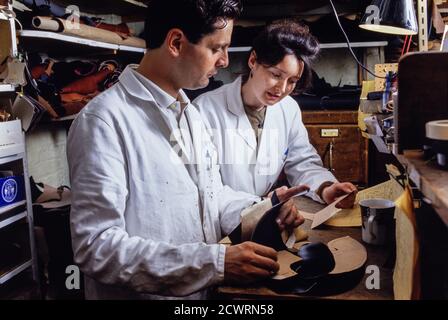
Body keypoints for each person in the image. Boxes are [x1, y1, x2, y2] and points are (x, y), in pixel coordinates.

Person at [67, 0, 305, 300]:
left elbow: (211, 196)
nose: (224, 60)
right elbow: (96, 247)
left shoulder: (188, 113)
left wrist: (265, 210)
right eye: (217, 48)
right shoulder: (104, 121)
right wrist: (214, 263)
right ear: (177, 42)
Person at [194, 20, 357, 208]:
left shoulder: (288, 109)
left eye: (292, 80)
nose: (282, 89)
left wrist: (325, 188)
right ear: (253, 61)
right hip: (222, 222)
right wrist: (260, 204)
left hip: (268, 214)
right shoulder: (204, 110)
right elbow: (205, 188)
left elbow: (302, 162)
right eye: (276, 75)